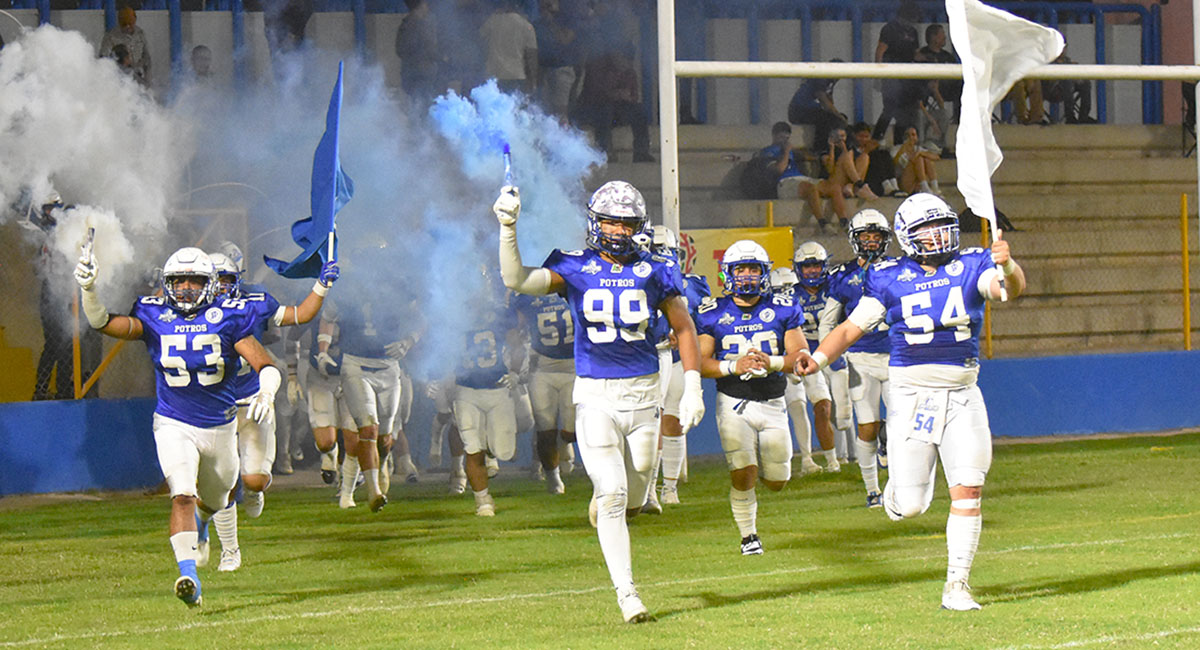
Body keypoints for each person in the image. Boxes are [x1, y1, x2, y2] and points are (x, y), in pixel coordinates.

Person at [796, 193, 1026, 611]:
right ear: (906, 235)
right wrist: (817, 358)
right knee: (913, 505)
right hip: (913, 396)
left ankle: (957, 584)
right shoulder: (888, 276)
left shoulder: (971, 264)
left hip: (961, 393)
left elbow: (1008, 290)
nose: (939, 236)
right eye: (927, 229)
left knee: (969, 488)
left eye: (943, 226)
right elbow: (851, 327)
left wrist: (1007, 265)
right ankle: (896, 496)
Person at [495, 180, 705, 623]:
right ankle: (627, 594)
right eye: (611, 221)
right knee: (613, 495)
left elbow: (684, 328)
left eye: (627, 223)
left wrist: (693, 385)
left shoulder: (656, 269)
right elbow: (516, 278)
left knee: (639, 482)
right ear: (595, 222)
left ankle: (613, 500)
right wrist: (507, 228)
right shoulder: (573, 267)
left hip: (645, 391)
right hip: (595, 394)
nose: (618, 231)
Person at [74, 246, 280, 607]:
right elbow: (103, 322)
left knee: (215, 499)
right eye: (178, 280)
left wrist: (267, 392)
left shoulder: (228, 316)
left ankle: (201, 527)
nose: (185, 287)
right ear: (167, 283)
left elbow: (266, 364)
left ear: (210, 284)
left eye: (194, 280)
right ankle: (189, 576)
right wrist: (89, 290)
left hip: (220, 427)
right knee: (182, 494)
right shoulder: (154, 314)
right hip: (173, 422)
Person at [195, 245, 337, 573]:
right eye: (213, 281)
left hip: (253, 399)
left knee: (254, 480)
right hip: (214, 407)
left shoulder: (252, 303)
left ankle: (256, 490)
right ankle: (230, 551)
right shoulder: (187, 313)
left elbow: (298, 314)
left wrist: (321, 286)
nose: (220, 288)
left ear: (238, 280)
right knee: (223, 482)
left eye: (226, 280)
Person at [695, 241, 807, 555]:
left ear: (764, 272)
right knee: (742, 469)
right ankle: (749, 536)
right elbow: (700, 363)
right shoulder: (711, 312)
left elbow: (800, 355)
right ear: (728, 273)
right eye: (740, 269)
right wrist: (734, 365)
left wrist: (769, 362)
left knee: (776, 480)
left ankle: (763, 489)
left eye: (753, 269)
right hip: (733, 401)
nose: (747, 276)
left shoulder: (784, 307)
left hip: (772, 401)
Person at [820, 209, 895, 508]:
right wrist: (834, 356)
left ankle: (898, 484)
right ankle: (872, 489)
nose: (873, 242)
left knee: (901, 422)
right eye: (866, 236)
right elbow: (828, 322)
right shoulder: (843, 277)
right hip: (860, 358)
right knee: (866, 425)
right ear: (855, 239)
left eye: (877, 236)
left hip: (895, 356)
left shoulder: (899, 270)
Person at [648, 226, 709, 506]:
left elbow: (706, 324)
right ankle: (649, 488)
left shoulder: (694, 285)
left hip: (679, 360)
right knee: (651, 423)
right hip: (652, 354)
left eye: (665, 251)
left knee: (674, 421)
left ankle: (668, 488)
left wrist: (689, 334)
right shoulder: (638, 280)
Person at [451, 290, 524, 515]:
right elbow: (443, 351)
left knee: (504, 451)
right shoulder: (453, 316)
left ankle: (492, 451)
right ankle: (482, 500)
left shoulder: (501, 314)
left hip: (498, 388)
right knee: (473, 447)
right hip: (467, 391)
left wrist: (515, 372)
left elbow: (517, 345)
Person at [511, 290, 576, 495]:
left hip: (574, 367)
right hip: (542, 367)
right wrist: (515, 364)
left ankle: (564, 442)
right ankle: (553, 478)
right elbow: (515, 333)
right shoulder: (527, 295)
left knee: (571, 430)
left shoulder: (573, 286)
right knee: (545, 428)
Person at [786, 242, 841, 474]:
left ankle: (835, 460)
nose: (811, 271)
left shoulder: (835, 288)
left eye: (815, 265)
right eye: (806, 266)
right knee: (811, 407)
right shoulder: (790, 295)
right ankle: (817, 460)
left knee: (837, 409)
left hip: (832, 350)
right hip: (803, 354)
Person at [575, 45, 654, 163]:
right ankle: (605, 151)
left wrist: (626, 97)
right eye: (623, 59)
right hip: (593, 110)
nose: (625, 63)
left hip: (617, 111)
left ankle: (641, 152)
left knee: (638, 111)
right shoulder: (600, 69)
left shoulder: (629, 73)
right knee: (605, 110)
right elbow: (593, 95)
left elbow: (634, 97)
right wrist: (614, 94)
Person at [872, 0, 922, 144]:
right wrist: (878, 73)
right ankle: (876, 139)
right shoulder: (890, 28)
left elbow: (916, 54)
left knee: (905, 112)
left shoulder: (913, 32)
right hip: (891, 74)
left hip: (907, 76)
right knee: (890, 108)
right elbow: (881, 50)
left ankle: (899, 144)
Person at [787, 61, 849, 151]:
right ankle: (820, 149)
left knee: (837, 119)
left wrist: (838, 116)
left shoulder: (830, 81)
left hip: (810, 110)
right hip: (799, 111)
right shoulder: (821, 78)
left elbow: (830, 102)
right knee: (827, 120)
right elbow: (825, 102)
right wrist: (838, 116)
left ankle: (837, 148)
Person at [916, 24, 958, 156]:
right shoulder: (922, 56)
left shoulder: (948, 57)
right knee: (919, 113)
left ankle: (943, 144)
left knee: (962, 90)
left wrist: (937, 91)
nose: (945, 37)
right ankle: (922, 145)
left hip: (943, 91)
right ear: (933, 37)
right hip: (922, 94)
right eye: (942, 34)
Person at [479, 0, 538, 94]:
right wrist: (533, 81)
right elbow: (531, 56)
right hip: (516, 75)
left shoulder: (492, 20)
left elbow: (480, 42)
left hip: (493, 74)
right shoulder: (527, 26)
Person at [395, 0, 441, 104]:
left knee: (417, 108)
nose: (427, 6)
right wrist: (441, 57)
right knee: (423, 108)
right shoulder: (418, 25)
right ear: (420, 5)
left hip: (413, 74)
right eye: (425, 3)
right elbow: (428, 49)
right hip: (421, 76)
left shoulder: (406, 24)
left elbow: (400, 50)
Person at [99, 7, 150, 86]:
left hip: (138, 78)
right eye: (124, 24)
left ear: (135, 21)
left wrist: (147, 78)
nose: (127, 27)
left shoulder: (140, 34)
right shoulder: (111, 36)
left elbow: (146, 57)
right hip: (119, 80)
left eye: (130, 23)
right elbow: (103, 60)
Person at [892, 126, 942, 196]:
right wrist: (904, 149)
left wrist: (921, 153)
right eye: (908, 135)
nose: (910, 138)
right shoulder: (898, 148)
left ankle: (934, 188)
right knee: (919, 158)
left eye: (913, 135)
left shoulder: (918, 149)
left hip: (916, 183)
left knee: (925, 158)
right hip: (904, 181)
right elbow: (894, 163)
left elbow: (937, 157)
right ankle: (925, 187)